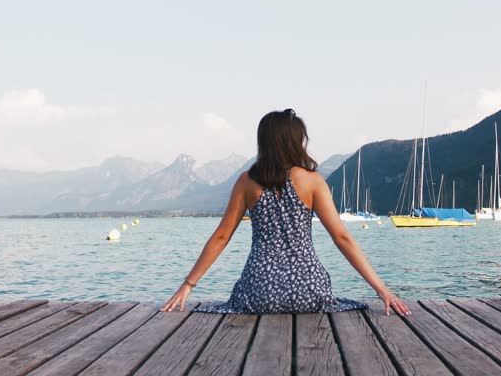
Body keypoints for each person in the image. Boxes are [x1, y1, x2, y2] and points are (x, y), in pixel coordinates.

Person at [161, 108, 410, 316]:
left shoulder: (247, 182)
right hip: (309, 291)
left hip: (259, 292)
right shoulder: (313, 181)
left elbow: (221, 237)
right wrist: (382, 289)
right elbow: (342, 238)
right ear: (294, 142)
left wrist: (187, 285)